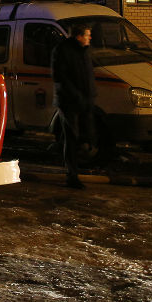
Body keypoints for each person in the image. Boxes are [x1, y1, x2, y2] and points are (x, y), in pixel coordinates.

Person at [51, 23, 96, 189]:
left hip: (84, 101)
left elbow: (88, 76)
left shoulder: (84, 51)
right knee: (71, 137)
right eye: (87, 34)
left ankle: (72, 165)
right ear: (79, 36)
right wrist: (77, 96)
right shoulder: (63, 51)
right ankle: (72, 175)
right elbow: (61, 78)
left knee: (85, 136)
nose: (90, 38)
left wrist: (90, 96)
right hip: (69, 102)